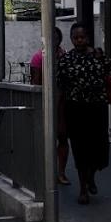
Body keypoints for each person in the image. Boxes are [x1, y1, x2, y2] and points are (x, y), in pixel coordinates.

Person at [58, 22, 111, 204]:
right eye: (76, 38)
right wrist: (60, 116)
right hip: (75, 109)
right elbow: (61, 89)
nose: (79, 41)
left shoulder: (99, 56)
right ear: (71, 39)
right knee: (80, 149)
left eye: (82, 37)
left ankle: (91, 176)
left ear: (88, 38)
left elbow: (110, 78)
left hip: (97, 108)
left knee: (99, 148)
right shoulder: (66, 60)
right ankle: (82, 189)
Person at [31, 26, 70, 185]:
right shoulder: (38, 57)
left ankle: (61, 172)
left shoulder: (65, 56)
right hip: (46, 103)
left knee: (63, 137)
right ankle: (46, 173)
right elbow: (35, 82)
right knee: (46, 140)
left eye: (56, 37)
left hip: (63, 104)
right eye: (50, 37)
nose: (54, 41)